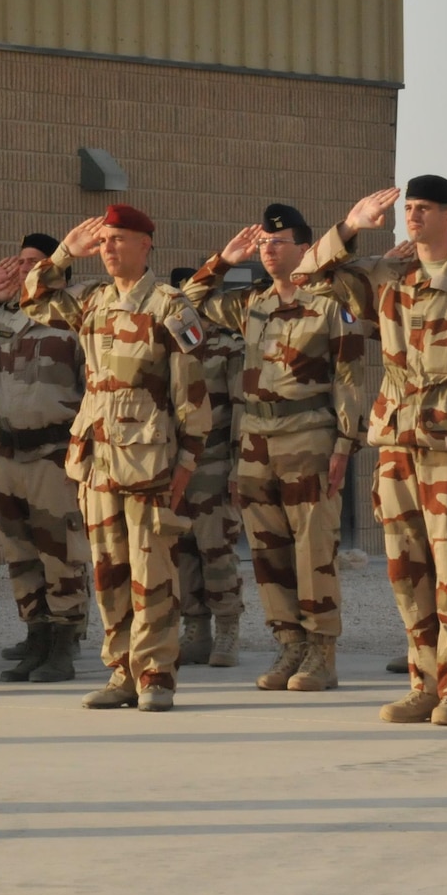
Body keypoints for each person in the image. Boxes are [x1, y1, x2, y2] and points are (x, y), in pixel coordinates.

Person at [302, 179, 447, 727]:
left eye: (423, 208)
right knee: (406, 573)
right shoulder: (388, 275)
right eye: (408, 208)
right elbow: (308, 276)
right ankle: (423, 683)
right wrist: (352, 226)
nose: (412, 216)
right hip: (396, 440)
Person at [17, 205, 213, 712]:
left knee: (153, 573)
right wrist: (65, 253)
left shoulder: (170, 305)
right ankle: (121, 671)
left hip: (150, 462)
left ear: (146, 244)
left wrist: (187, 464)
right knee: (108, 573)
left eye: (119, 239)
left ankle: (156, 676)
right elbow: (33, 297)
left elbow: (192, 395)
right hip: (97, 459)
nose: (108, 249)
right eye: (103, 241)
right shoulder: (93, 301)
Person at [181, 205, 368, 692]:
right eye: (263, 243)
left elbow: (349, 378)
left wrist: (346, 445)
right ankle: (289, 646)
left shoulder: (330, 305)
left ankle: (321, 652)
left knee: (313, 552)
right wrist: (222, 260)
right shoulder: (252, 305)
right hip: (255, 442)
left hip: (308, 438)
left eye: (279, 242)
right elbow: (190, 300)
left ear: (305, 249)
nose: (268, 249)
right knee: (267, 552)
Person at [0, 234, 91, 683]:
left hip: (56, 452)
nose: (24, 270)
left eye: (36, 263)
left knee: (61, 549)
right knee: (20, 549)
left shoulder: (75, 318)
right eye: (21, 261)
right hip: (10, 451)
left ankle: (65, 641)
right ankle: (37, 632)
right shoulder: (1, 319)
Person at [167, 266, 246, 671]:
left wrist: (237, 468)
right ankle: (195, 629)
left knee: (216, 548)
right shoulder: (165, 341)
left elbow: (240, 411)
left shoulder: (227, 345)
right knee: (181, 550)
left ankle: (228, 626)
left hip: (214, 462)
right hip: (173, 465)